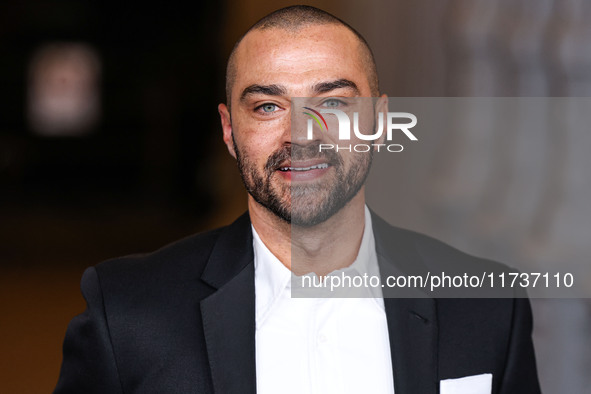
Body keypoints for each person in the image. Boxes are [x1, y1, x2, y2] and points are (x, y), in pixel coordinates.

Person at [54, 5, 541, 394]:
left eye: (332, 102)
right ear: (229, 130)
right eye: (268, 106)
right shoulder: (125, 314)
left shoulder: (488, 305)